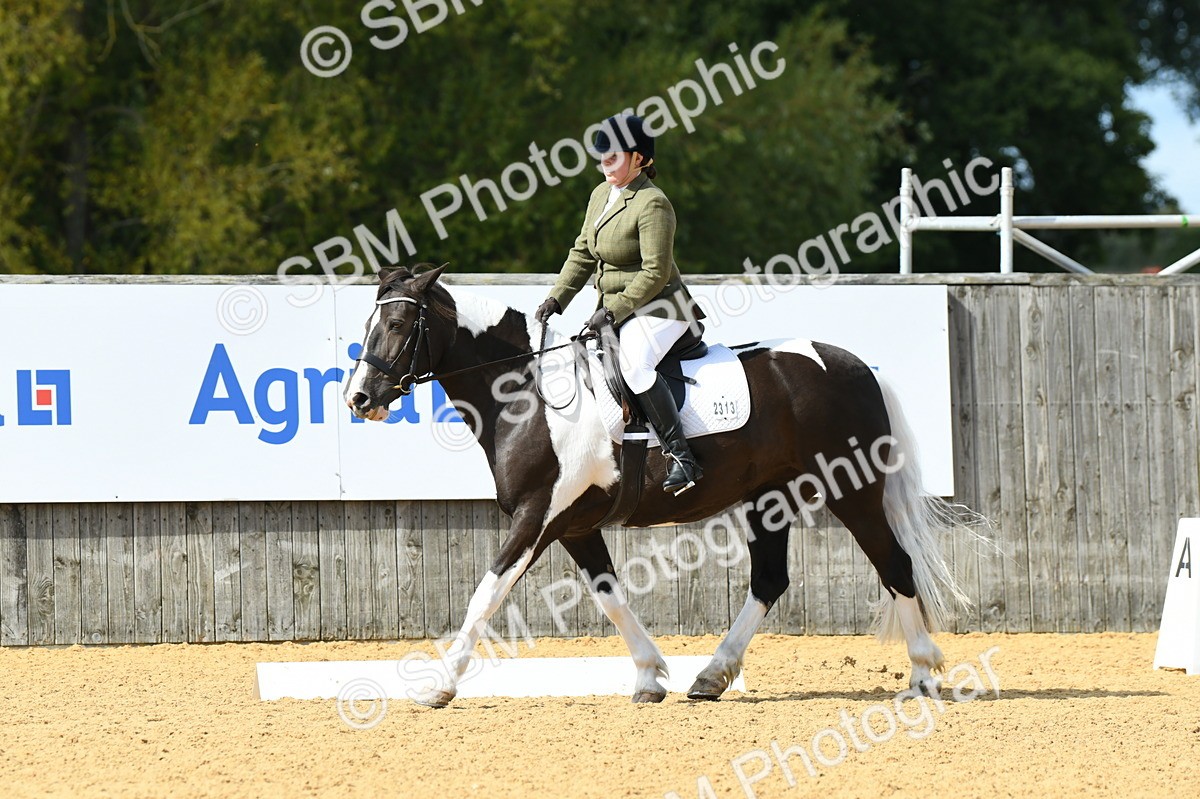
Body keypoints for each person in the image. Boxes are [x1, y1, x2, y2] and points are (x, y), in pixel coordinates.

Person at [535, 113, 705, 495]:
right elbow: (582, 253)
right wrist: (556, 298)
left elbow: (656, 272)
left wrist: (614, 311)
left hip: (661, 307)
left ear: (640, 158)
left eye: (613, 157)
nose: (604, 164)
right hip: (616, 309)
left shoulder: (653, 204)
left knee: (634, 364)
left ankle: (683, 457)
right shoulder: (600, 194)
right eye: (602, 157)